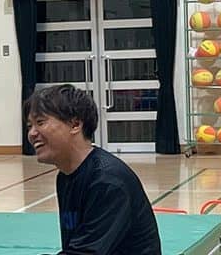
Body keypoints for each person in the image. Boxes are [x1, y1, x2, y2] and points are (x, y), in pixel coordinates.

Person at [24, 84, 161, 255]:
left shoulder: (107, 181)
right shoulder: (65, 176)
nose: (32, 133)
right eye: (29, 126)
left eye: (40, 122)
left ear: (75, 124)